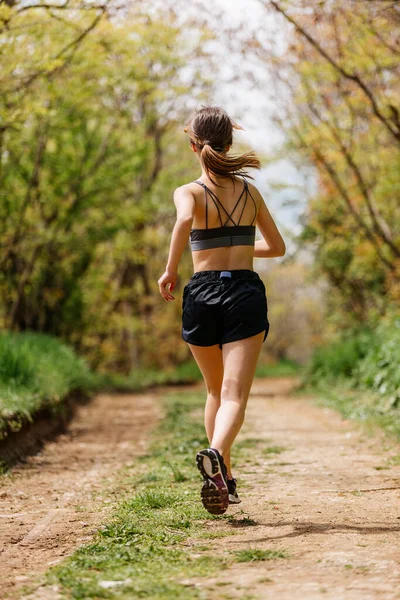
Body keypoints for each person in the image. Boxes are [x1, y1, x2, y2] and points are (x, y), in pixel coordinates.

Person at [158, 105, 286, 515]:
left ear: (195, 146)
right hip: (244, 292)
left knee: (214, 390)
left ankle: (223, 475)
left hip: (202, 293)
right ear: (229, 144)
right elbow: (278, 247)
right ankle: (216, 453)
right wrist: (243, 253)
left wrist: (170, 270)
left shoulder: (189, 192)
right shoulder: (250, 192)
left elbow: (182, 224)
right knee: (234, 395)